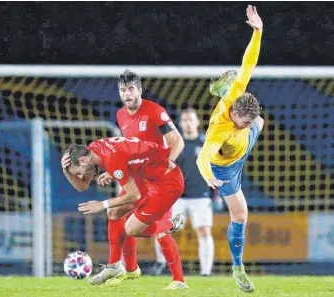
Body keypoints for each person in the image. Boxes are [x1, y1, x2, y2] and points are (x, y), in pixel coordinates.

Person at [196, 5, 264, 293]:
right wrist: (209, 177)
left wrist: (258, 32)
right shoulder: (220, 129)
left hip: (242, 142)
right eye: (241, 122)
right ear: (233, 113)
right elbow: (203, 157)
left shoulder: (241, 103)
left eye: (245, 122)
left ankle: (221, 88)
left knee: (261, 120)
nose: (243, 124)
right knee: (241, 216)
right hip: (227, 166)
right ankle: (238, 267)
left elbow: (249, 62)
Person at [62, 137, 188, 289]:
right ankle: (114, 265)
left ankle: (171, 224)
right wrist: (66, 171)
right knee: (114, 212)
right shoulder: (94, 149)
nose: (81, 176)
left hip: (167, 183)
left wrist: (101, 204)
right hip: (147, 178)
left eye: (78, 172)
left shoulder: (112, 159)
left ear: (83, 160)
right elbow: (82, 186)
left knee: (132, 229)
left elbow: (134, 195)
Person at [113, 70, 186, 286]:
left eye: (131, 89)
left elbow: (177, 142)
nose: (127, 94)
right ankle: (130, 269)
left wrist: (163, 168)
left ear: (140, 90)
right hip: (136, 179)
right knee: (116, 215)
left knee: (158, 232)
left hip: (159, 182)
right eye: (123, 90)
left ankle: (179, 280)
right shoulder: (120, 115)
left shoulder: (155, 111)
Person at [153, 108, 215, 276]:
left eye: (191, 120)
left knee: (204, 231)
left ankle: (206, 272)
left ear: (197, 122)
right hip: (177, 197)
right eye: (185, 120)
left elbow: (215, 169)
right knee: (163, 228)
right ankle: (161, 263)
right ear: (180, 123)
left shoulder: (205, 143)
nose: (188, 123)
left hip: (201, 196)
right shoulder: (175, 144)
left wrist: (217, 193)